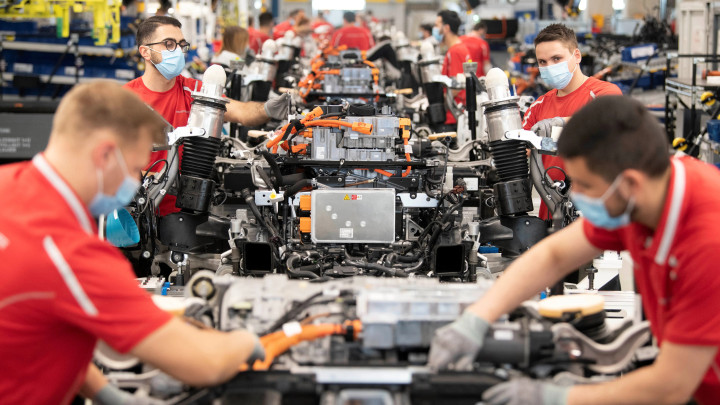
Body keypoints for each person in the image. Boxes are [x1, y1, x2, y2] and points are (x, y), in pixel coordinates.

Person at [429, 95, 720, 405]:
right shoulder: (648, 191)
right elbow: (554, 255)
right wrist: (477, 318)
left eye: (584, 184)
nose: (575, 193)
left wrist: (555, 397)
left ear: (630, 185)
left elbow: (671, 386)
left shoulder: (708, 243)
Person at [0, 81, 263, 405]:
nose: (136, 183)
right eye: (136, 168)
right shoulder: (72, 253)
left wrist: (104, 393)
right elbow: (205, 364)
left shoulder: (7, 185)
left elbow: (39, 328)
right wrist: (248, 340)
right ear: (105, 154)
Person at [124, 16, 289, 216]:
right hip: (140, 212)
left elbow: (241, 112)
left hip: (186, 211)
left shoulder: (192, 90)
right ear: (145, 51)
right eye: (169, 44)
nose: (178, 51)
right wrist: (162, 180)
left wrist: (268, 109)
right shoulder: (126, 100)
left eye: (181, 44)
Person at [522, 23, 621, 220]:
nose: (549, 67)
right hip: (551, 213)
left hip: (594, 213)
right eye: (542, 62)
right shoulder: (539, 106)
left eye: (556, 58)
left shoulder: (604, 93)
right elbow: (520, 152)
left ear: (577, 55)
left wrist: (553, 126)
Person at [435, 10, 470, 126]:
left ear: (446, 28)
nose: (436, 29)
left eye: (437, 25)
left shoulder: (455, 51)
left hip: (454, 117)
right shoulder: (457, 48)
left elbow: (455, 87)